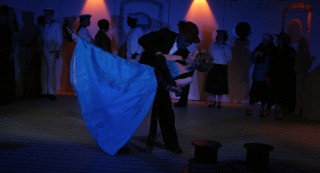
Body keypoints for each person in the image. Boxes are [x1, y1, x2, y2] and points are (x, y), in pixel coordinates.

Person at [138, 21, 200, 154]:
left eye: (190, 42)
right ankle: (120, 141)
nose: (187, 44)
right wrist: (158, 53)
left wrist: (177, 87)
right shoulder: (165, 34)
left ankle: (169, 143)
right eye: (186, 40)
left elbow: (180, 73)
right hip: (144, 75)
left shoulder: (184, 53)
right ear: (180, 33)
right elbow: (143, 39)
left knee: (165, 111)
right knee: (131, 109)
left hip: (161, 82)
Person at [267, 32, 296, 120]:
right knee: (274, 91)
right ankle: (270, 109)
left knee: (283, 92)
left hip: (285, 75)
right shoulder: (275, 50)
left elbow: (290, 62)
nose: (277, 40)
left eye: (279, 39)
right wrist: (269, 75)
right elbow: (271, 63)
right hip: (276, 74)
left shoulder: (290, 50)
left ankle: (281, 111)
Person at [246, 33, 276, 116]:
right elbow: (252, 59)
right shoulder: (258, 48)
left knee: (265, 92)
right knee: (254, 92)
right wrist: (255, 55)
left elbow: (273, 61)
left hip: (267, 74)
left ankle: (262, 108)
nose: (264, 41)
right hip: (258, 74)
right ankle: (250, 107)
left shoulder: (272, 49)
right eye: (263, 40)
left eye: (266, 40)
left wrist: (266, 56)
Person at [205, 30, 232, 108]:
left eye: (221, 35)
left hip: (222, 66)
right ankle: (213, 101)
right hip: (213, 66)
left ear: (224, 36)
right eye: (219, 34)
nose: (220, 36)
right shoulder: (213, 45)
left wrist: (223, 61)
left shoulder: (227, 47)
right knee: (213, 84)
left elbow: (230, 57)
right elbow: (209, 54)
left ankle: (219, 102)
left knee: (220, 84)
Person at [40, 8, 63, 100]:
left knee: (51, 71)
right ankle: (44, 91)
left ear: (52, 14)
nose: (47, 15)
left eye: (48, 13)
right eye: (45, 13)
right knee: (44, 71)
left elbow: (59, 38)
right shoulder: (42, 25)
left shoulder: (56, 25)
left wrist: (57, 50)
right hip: (44, 49)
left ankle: (51, 92)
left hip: (52, 50)